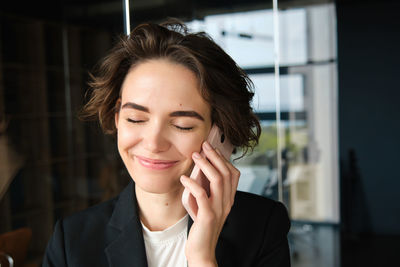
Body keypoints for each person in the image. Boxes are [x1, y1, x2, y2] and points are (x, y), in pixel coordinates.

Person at [42, 20, 291, 267]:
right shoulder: (71, 241)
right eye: (136, 119)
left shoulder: (262, 227)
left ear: (219, 133)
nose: (153, 143)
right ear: (117, 117)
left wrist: (202, 258)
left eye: (182, 125)